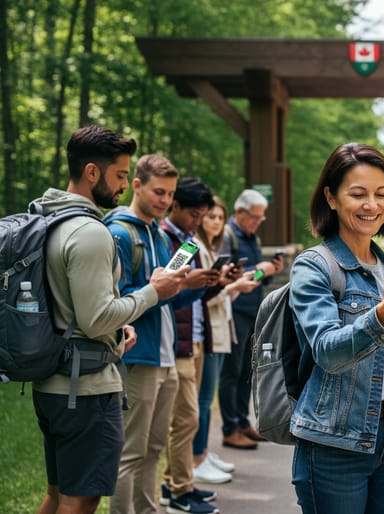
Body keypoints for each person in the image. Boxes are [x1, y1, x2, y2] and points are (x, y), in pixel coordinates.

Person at [31, 126, 187, 514]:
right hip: (84, 389)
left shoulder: (48, 219)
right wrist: (154, 292)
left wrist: (119, 328)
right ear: (92, 173)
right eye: (120, 175)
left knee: (55, 494)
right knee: (79, 500)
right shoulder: (90, 231)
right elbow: (98, 317)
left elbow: (73, 309)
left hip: (51, 380)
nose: (122, 186)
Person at [290, 143, 384, 513]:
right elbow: (326, 351)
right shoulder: (314, 266)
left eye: (381, 194)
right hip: (335, 443)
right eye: (358, 194)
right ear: (331, 198)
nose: (371, 205)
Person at [106, 155, 216, 514]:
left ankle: (149, 509)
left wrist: (197, 286)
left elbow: (167, 297)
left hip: (166, 354)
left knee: (153, 449)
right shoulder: (120, 233)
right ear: (135, 185)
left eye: (170, 193)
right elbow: (115, 303)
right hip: (139, 356)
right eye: (158, 191)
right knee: (130, 452)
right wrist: (158, 291)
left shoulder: (158, 234)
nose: (165, 201)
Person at [158, 178, 235, 513]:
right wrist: (191, 282)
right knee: (187, 418)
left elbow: (189, 293)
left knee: (188, 417)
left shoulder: (186, 240)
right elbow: (167, 293)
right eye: (195, 214)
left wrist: (211, 283)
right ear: (175, 205)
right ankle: (178, 489)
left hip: (195, 338)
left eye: (202, 215)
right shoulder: (168, 239)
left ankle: (176, 483)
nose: (198, 222)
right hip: (179, 342)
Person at [192, 196, 261, 481]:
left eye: (219, 218)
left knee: (207, 399)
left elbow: (213, 293)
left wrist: (232, 285)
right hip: (203, 333)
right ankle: (195, 461)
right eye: (211, 217)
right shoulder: (194, 248)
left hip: (219, 327)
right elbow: (195, 296)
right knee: (202, 401)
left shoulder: (211, 248)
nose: (216, 223)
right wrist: (232, 285)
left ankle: (202, 455)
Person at [218, 189, 284, 449]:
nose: (258, 221)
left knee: (248, 371)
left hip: (252, 312)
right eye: (255, 217)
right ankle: (229, 428)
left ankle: (242, 422)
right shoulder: (227, 236)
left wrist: (269, 271)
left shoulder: (250, 237)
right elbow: (227, 275)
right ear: (240, 213)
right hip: (233, 312)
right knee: (231, 372)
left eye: (261, 218)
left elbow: (255, 278)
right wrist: (260, 271)